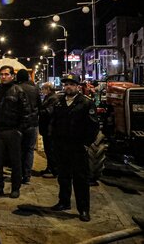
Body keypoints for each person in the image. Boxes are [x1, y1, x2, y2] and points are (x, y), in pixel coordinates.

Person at [50, 74, 99, 222]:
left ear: (78, 86)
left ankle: (83, 209)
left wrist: (86, 144)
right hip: (62, 146)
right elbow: (54, 122)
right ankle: (64, 202)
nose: (68, 87)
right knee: (63, 176)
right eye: (66, 84)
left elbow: (93, 126)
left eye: (71, 84)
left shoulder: (86, 103)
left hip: (78, 147)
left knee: (81, 179)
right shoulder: (59, 102)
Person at [0, 65, 31, 199]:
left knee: (15, 161)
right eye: (1, 74)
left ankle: (15, 188)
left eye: (6, 74)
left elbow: (26, 112)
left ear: (13, 76)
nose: (3, 77)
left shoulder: (18, 91)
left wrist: (19, 130)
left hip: (13, 131)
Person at [16, 69, 41, 184]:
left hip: (19, 124)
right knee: (29, 150)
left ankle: (19, 174)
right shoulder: (35, 89)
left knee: (19, 149)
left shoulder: (16, 88)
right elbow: (39, 106)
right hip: (32, 124)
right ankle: (27, 175)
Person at [39, 82, 60, 177]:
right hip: (47, 128)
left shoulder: (53, 98)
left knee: (51, 150)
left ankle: (53, 170)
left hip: (50, 129)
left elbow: (49, 111)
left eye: (43, 89)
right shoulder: (50, 97)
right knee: (48, 150)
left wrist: (39, 111)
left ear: (48, 89)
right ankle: (49, 168)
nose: (42, 91)